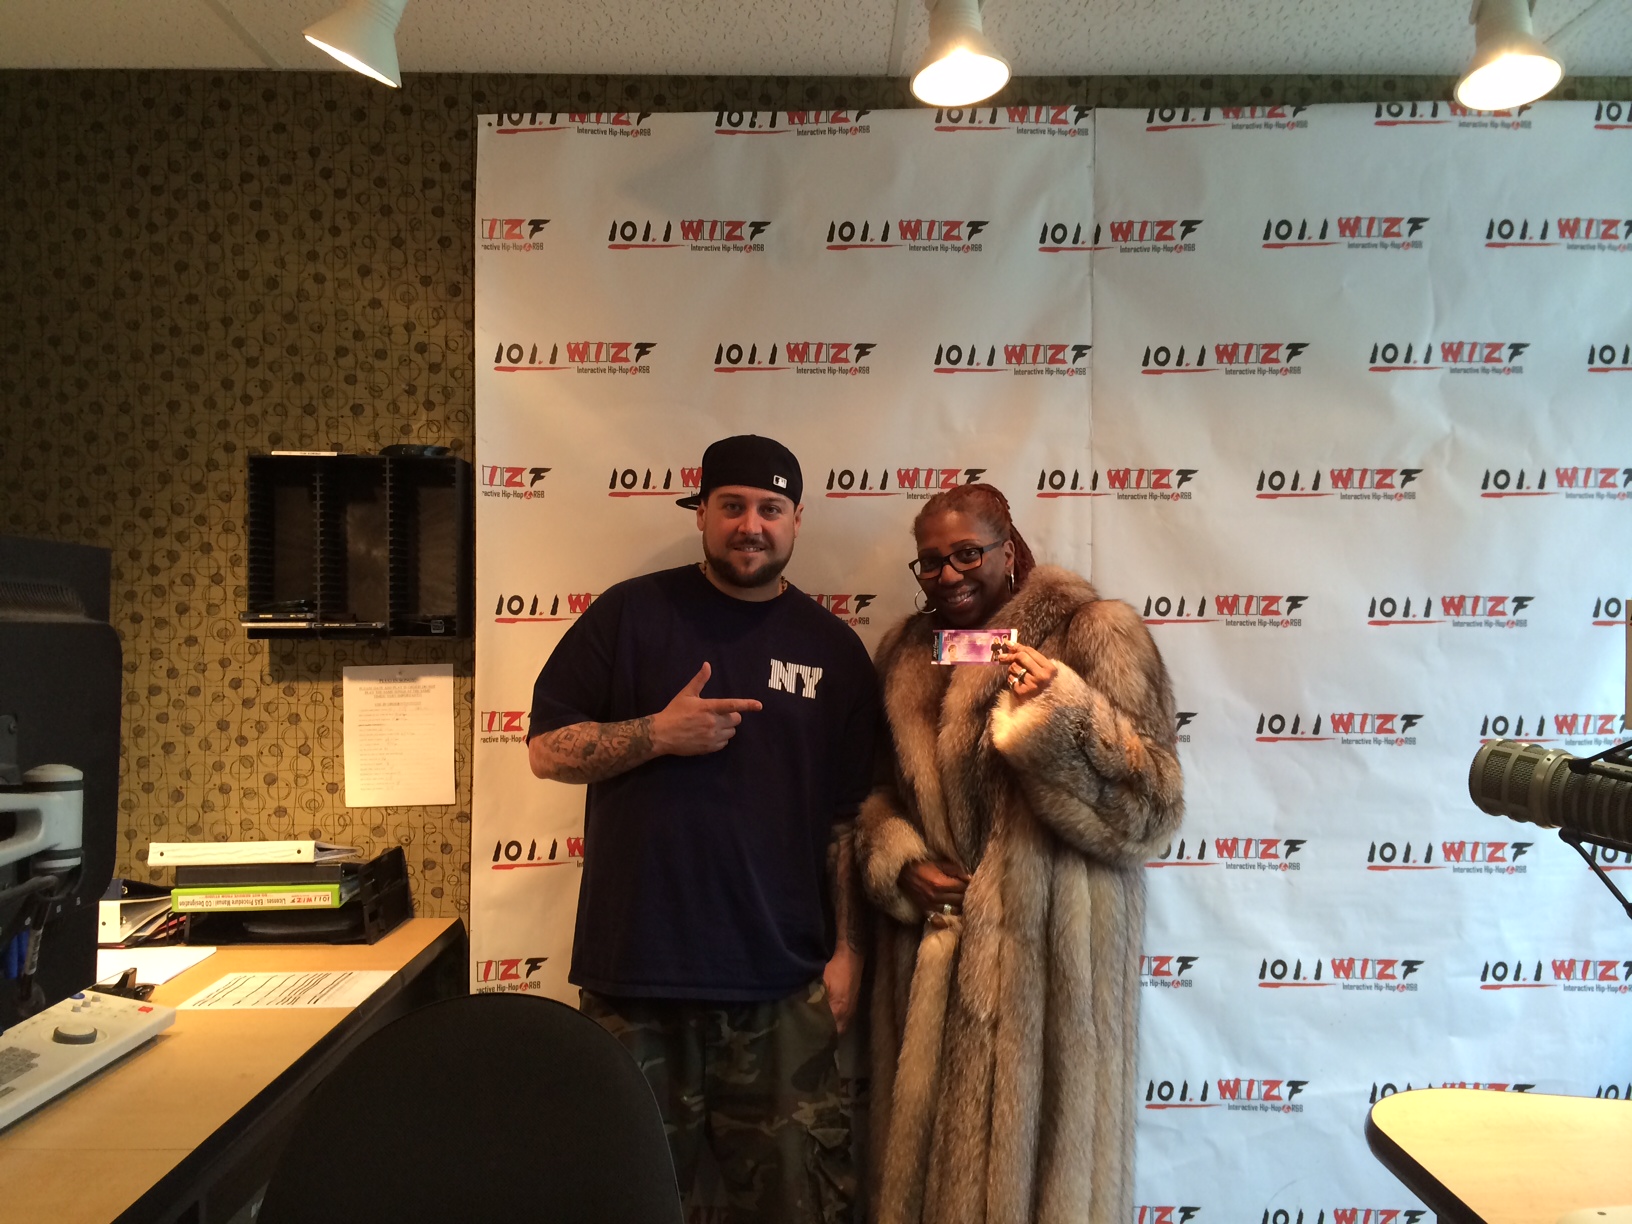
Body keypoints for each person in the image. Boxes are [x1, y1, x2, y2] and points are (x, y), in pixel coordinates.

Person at [526, 434, 878, 1224]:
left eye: (770, 509)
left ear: (796, 519)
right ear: (702, 513)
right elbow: (546, 750)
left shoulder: (833, 650)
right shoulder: (630, 615)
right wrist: (657, 733)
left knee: (803, 1208)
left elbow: (847, 824)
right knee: (626, 1204)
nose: (751, 525)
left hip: (781, 989)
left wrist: (849, 952)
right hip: (637, 981)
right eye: (732, 506)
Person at [856, 483, 1183, 1224]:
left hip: (1051, 986)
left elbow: (1154, 811)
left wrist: (1063, 713)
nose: (949, 575)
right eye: (931, 561)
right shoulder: (906, 653)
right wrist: (900, 862)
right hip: (932, 980)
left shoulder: (1094, 633)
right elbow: (876, 795)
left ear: (1009, 550)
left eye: (968, 554)